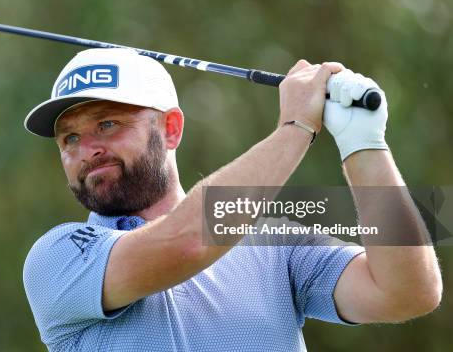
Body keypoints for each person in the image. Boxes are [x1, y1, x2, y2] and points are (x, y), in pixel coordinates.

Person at [22, 48, 442, 351]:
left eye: (108, 124)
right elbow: (187, 243)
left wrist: (362, 144)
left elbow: (406, 292)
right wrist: (295, 127)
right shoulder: (59, 258)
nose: (87, 149)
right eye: (70, 138)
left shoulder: (275, 244)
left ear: (170, 129)